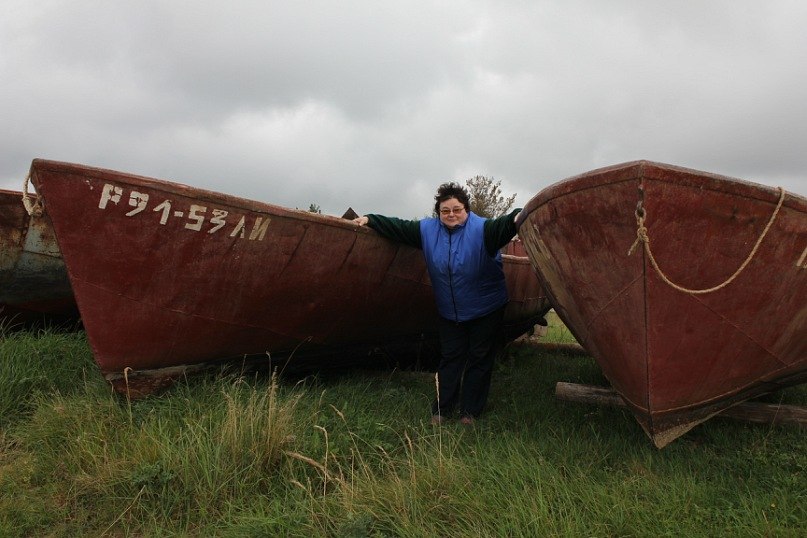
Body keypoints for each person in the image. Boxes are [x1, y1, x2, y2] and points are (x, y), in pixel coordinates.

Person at [353, 182, 520, 425]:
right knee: (451, 357)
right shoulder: (427, 230)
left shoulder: (484, 230)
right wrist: (371, 219)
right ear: (438, 212)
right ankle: (442, 409)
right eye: (445, 211)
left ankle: (470, 412)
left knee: (479, 358)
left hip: (486, 308)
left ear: (467, 210)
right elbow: (399, 227)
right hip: (450, 310)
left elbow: (505, 224)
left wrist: (519, 215)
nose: (451, 215)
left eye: (457, 209)